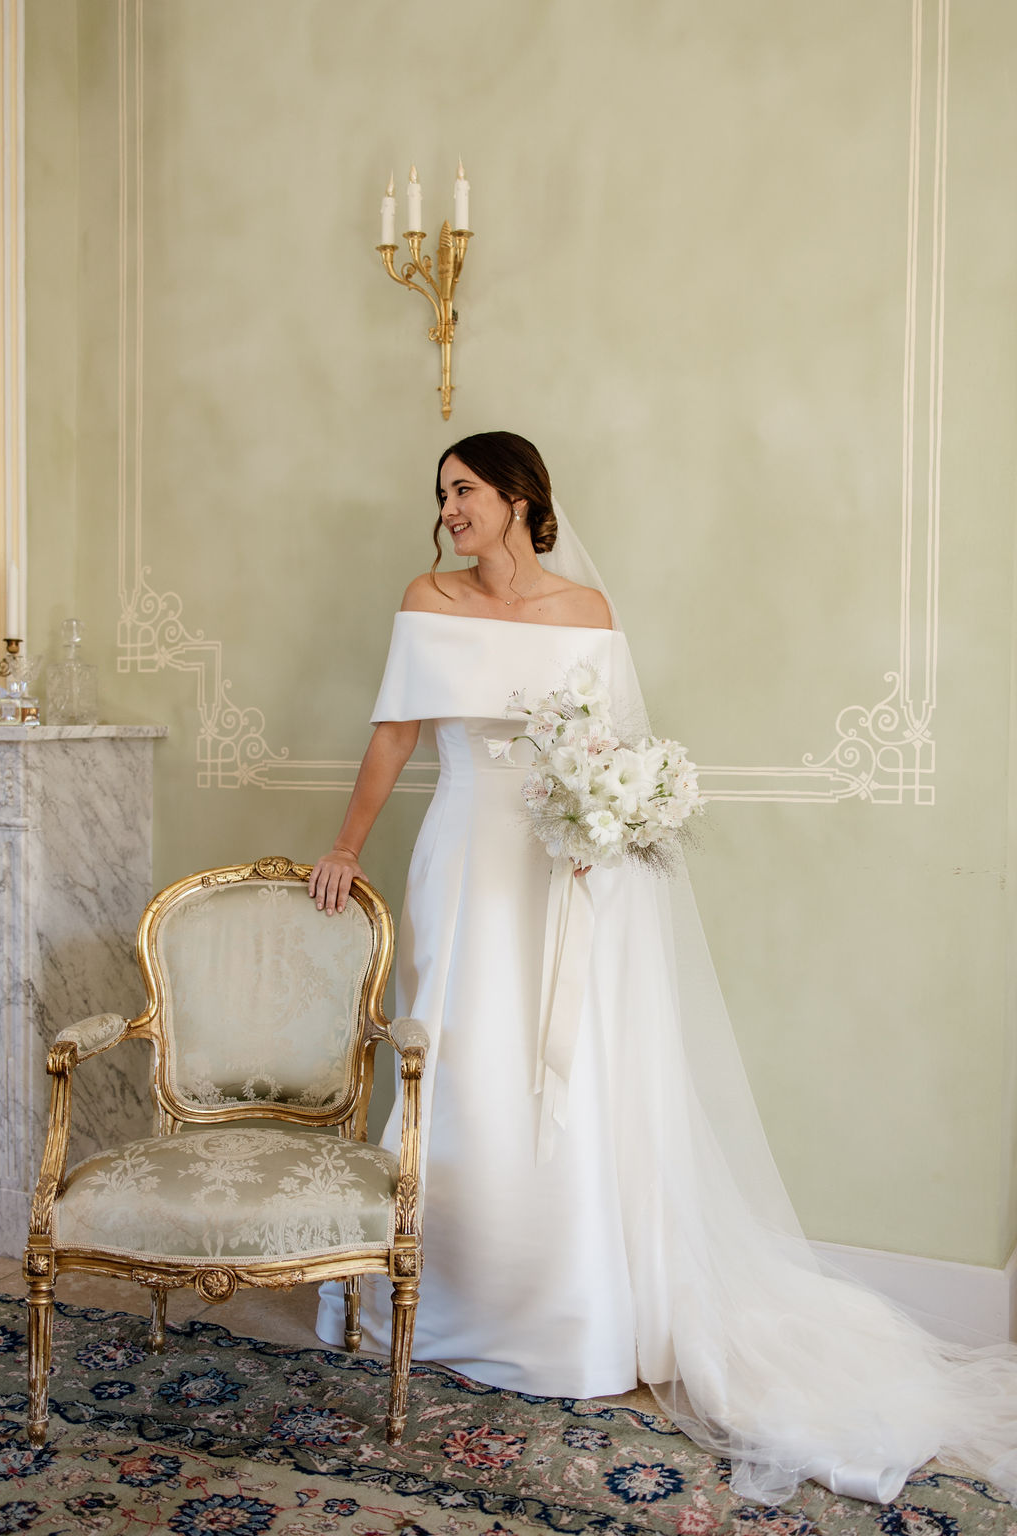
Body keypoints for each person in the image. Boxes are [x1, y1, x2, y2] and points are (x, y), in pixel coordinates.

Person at [311, 431, 1017, 1506]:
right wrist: (349, 846)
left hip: (564, 863)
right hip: (465, 856)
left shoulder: (586, 615)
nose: (447, 509)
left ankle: (572, 1308)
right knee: (461, 1063)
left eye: (463, 491)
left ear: (517, 498)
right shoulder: (430, 596)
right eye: (442, 494)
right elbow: (395, 735)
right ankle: (443, 1297)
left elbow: (609, 746)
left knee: (568, 1075)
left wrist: (612, 826)